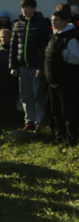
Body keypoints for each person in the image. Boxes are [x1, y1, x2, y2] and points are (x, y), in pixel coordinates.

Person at [10, 0, 52, 132]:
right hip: (23, 66)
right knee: (25, 95)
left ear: (34, 8)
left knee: (38, 95)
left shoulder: (41, 23)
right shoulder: (18, 24)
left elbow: (44, 47)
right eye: (23, 7)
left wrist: (41, 67)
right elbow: (13, 46)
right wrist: (13, 66)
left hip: (35, 66)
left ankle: (40, 122)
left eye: (27, 7)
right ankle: (30, 121)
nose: (24, 10)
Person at [44, 11, 79, 146]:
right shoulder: (54, 37)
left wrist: (63, 53)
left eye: (56, 20)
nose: (53, 22)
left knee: (68, 113)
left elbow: (76, 58)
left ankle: (71, 140)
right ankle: (59, 136)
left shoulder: (70, 39)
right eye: (52, 20)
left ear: (65, 21)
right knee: (55, 112)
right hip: (52, 81)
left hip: (66, 82)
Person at [0, 29, 20, 125]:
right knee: (4, 103)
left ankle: (14, 121)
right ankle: (6, 121)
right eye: (1, 37)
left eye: (5, 36)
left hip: (12, 81)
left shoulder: (15, 49)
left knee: (13, 102)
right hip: (1, 80)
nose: (3, 39)